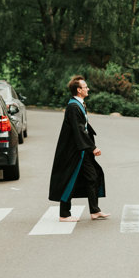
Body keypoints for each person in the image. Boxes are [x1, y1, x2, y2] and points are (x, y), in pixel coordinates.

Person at [49, 76, 110, 222]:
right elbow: (79, 131)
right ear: (78, 90)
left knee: (93, 177)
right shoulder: (73, 107)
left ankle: (94, 210)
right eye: (85, 87)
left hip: (82, 150)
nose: (88, 89)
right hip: (73, 151)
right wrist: (92, 147)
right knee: (69, 179)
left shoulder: (78, 105)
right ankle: (64, 214)